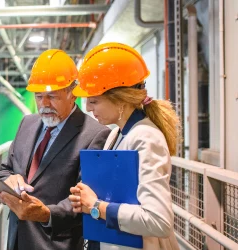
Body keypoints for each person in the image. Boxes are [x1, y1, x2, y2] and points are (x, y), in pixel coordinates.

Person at [68, 42, 180, 250]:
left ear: (120, 100)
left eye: (94, 101)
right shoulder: (115, 134)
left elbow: (159, 221)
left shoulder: (146, 138)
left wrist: (95, 206)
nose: (88, 109)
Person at [0, 49, 110, 250]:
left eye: (52, 96)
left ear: (72, 94)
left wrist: (46, 214)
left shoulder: (95, 134)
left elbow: (87, 199)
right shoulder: (27, 123)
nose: (44, 104)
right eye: (39, 96)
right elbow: (6, 169)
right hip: (17, 238)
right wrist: (9, 180)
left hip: (56, 242)